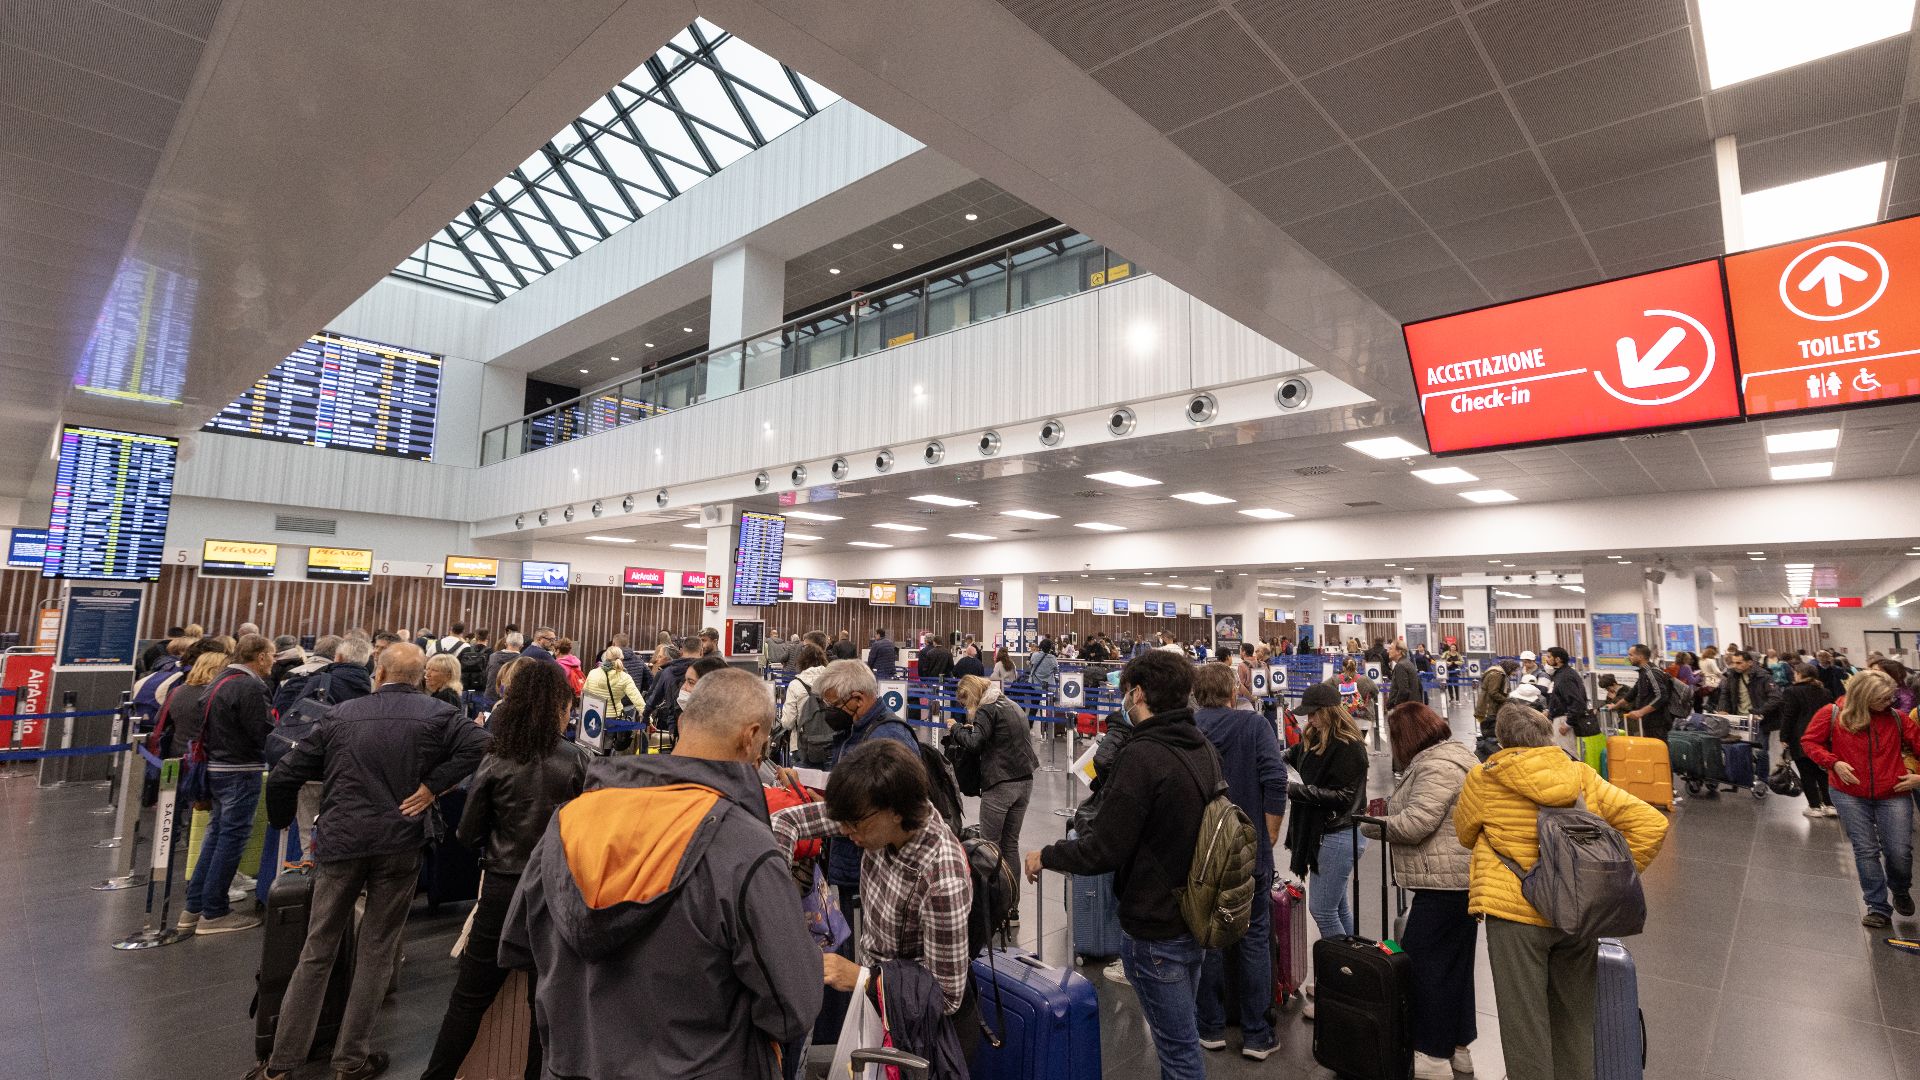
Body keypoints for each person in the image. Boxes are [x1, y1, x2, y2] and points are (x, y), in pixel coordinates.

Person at [503, 668, 820, 1078]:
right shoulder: (747, 847)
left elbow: (521, 947)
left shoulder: (569, 821)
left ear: (684, 724)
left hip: (572, 1064)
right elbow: (792, 1009)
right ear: (751, 736)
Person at [251, 644, 491, 1080]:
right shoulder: (437, 715)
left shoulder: (341, 715)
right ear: (421, 677)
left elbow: (286, 772)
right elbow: (482, 743)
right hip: (400, 840)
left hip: (342, 841)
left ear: (377, 672)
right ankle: (351, 1058)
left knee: (317, 949)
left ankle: (281, 1064)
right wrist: (432, 785)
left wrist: (284, 822)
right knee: (377, 950)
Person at [1026, 651, 1218, 1080]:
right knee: (1182, 1036)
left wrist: (1049, 854)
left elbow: (1103, 849)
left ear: (1138, 692)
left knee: (1179, 1049)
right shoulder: (1201, 745)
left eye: (1126, 692)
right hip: (1195, 914)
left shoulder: (1143, 754)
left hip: (1154, 926)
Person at [1456, 700, 1669, 1080]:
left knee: (1525, 1028)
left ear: (1502, 738)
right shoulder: (1581, 775)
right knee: (1574, 1021)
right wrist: (1605, 877)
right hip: (1577, 911)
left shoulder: (1483, 778)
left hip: (1515, 916)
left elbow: (1465, 833)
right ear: (1545, 734)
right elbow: (1651, 823)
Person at [420, 662, 588, 1080]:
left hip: (500, 888)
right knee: (544, 1004)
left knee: (468, 999)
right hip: (554, 892)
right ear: (559, 707)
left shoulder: (497, 758)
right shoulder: (578, 761)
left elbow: (467, 831)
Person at [775, 738, 976, 1071]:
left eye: (856, 825)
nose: (848, 833)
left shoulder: (942, 876)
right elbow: (787, 822)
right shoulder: (871, 814)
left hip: (915, 1033)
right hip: (874, 1009)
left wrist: (863, 979)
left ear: (896, 813)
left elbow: (946, 996)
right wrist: (778, 896)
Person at [1362, 702, 1479, 1080]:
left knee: (1424, 966)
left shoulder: (1435, 766)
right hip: (1463, 881)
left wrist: (1373, 824)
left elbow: (1416, 823)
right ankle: (1459, 1048)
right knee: (1456, 967)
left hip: (1443, 884)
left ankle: (1431, 1054)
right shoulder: (1458, 755)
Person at [1190, 663, 1287, 1061]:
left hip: (1200, 855)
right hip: (1250, 856)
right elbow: (1276, 780)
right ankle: (1257, 1035)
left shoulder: (1189, 730)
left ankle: (1209, 1027)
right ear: (1233, 693)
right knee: (1253, 938)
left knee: (1208, 938)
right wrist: (1268, 837)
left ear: (1197, 694)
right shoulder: (1255, 727)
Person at [1800, 669, 1920, 927]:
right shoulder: (1832, 714)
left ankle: (1900, 888)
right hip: (1848, 793)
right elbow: (1810, 742)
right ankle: (1877, 907)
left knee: (1899, 852)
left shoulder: (1897, 718)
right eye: (1882, 699)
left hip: (1894, 792)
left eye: (1891, 697)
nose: (1889, 703)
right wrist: (1834, 763)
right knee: (1866, 850)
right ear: (1863, 697)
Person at [180, 634, 277, 935]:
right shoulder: (249, 686)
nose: (274, 661)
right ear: (260, 657)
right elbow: (262, 732)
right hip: (239, 770)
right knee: (230, 839)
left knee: (216, 837)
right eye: (271, 655)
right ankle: (214, 911)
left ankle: (193, 908)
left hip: (216, 769)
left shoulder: (219, 681)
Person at [1284, 680, 1370, 1020]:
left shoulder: (1349, 747)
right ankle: (1357, 973)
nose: (1309, 720)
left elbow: (1345, 798)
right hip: (1329, 834)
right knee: (1338, 906)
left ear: (1327, 713)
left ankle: (1339, 984)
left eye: (1314, 714)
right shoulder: (1315, 739)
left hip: (1339, 834)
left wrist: (1296, 791)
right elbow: (1290, 756)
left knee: (1322, 909)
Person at [815, 660, 921, 895]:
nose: (828, 711)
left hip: (876, 870)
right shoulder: (857, 730)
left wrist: (835, 808)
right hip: (854, 860)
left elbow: (898, 809)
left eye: (833, 705)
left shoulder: (888, 739)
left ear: (858, 699)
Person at [949, 674, 1038, 924]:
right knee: (1010, 845)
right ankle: (1012, 909)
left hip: (1000, 783)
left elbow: (975, 742)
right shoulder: (1010, 704)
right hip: (1024, 782)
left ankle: (993, 911)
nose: (966, 707)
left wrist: (954, 728)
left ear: (973, 693)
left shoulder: (987, 708)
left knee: (989, 848)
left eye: (966, 701)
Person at [1778, 662, 1836, 818]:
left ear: (1800, 674)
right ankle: (1830, 804)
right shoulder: (1825, 692)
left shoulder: (1791, 692)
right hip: (1822, 737)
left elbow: (1789, 716)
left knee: (1806, 773)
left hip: (1800, 737)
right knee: (1823, 772)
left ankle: (1814, 806)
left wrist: (1783, 736)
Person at [1714, 649, 1781, 760]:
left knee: (1761, 752)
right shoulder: (1732, 676)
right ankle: (1745, 775)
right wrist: (1722, 709)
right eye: (1734, 662)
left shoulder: (1763, 676)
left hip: (1759, 721)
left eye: (1739, 663)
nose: (1735, 666)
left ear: (1750, 662)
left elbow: (1776, 698)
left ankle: (1762, 777)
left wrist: (1760, 712)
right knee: (1741, 750)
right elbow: (1725, 694)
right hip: (1738, 719)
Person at [779, 642, 830, 765]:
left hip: (802, 745)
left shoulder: (795, 685)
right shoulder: (832, 682)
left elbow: (788, 722)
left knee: (801, 783)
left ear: (801, 661)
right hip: (830, 743)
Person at [1623, 644, 1673, 741]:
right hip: (1648, 722)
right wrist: (1615, 705)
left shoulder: (1651, 672)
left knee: (1658, 753)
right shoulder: (1643, 673)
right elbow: (1632, 693)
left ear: (1640, 657)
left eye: (1631, 655)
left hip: (1657, 723)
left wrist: (1640, 712)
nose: (1628, 658)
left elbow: (1662, 696)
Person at [581, 646, 645, 720]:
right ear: (622, 658)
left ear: (605, 657)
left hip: (593, 715)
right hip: (613, 717)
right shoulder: (624, 677)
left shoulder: (593, 673)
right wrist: (648, 719)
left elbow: (584, 694)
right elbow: (637, 700)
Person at [1475, 662, 1510, 743]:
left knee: (1486, 730)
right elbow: (1493, 692)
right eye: (1514, 671)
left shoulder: (1495, 673)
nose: (1515, 673)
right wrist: (1506, 700)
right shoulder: (1497, 675)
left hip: (1485, 705)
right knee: (1489, 733)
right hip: (1487, 707)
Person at [484, 632, 524, 700]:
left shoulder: (493, 656)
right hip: (510, 698)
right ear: (521, 646)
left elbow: (486, 674)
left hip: (490, 695)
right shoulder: (522, 660)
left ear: (506, 644)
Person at [1386, 642, 1421, 711]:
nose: (1388, 651)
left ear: (1399, 651)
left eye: (1390, 649)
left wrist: (1395, 705)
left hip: (1405, 709)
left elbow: (1403, 690)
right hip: (1412, 706)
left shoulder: (1400, 666)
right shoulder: (1408, 663)